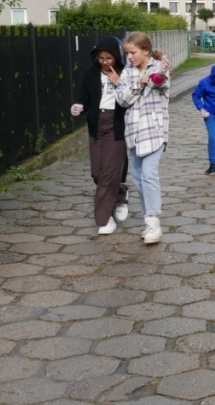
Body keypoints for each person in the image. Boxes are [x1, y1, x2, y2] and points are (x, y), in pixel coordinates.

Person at [70, 36, 131, 235]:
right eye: (101, 58)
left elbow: (132, 98)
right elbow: (84, 98)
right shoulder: (90, 74)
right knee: (97, 173)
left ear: (116, 57)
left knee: (109, 173)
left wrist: (119, 83)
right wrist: (79, 106)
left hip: (118, 125)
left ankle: (104, 219)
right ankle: (120, 193)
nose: (105, 62)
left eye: (109, 58)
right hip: (97, 125)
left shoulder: (125, 73)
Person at [115, 32, 171, 245]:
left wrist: (161, 73)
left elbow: (158, 82)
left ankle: (154, 223)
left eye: (133, 53)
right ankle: (149, 221)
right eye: (127, 53)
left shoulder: (157, 67)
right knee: (138, 179)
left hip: (154, 133)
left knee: (148, 175)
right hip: (133, 134)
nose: (129, 57)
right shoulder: (127, 72)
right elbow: (122, 100)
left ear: (145, 51)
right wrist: (139, 83)